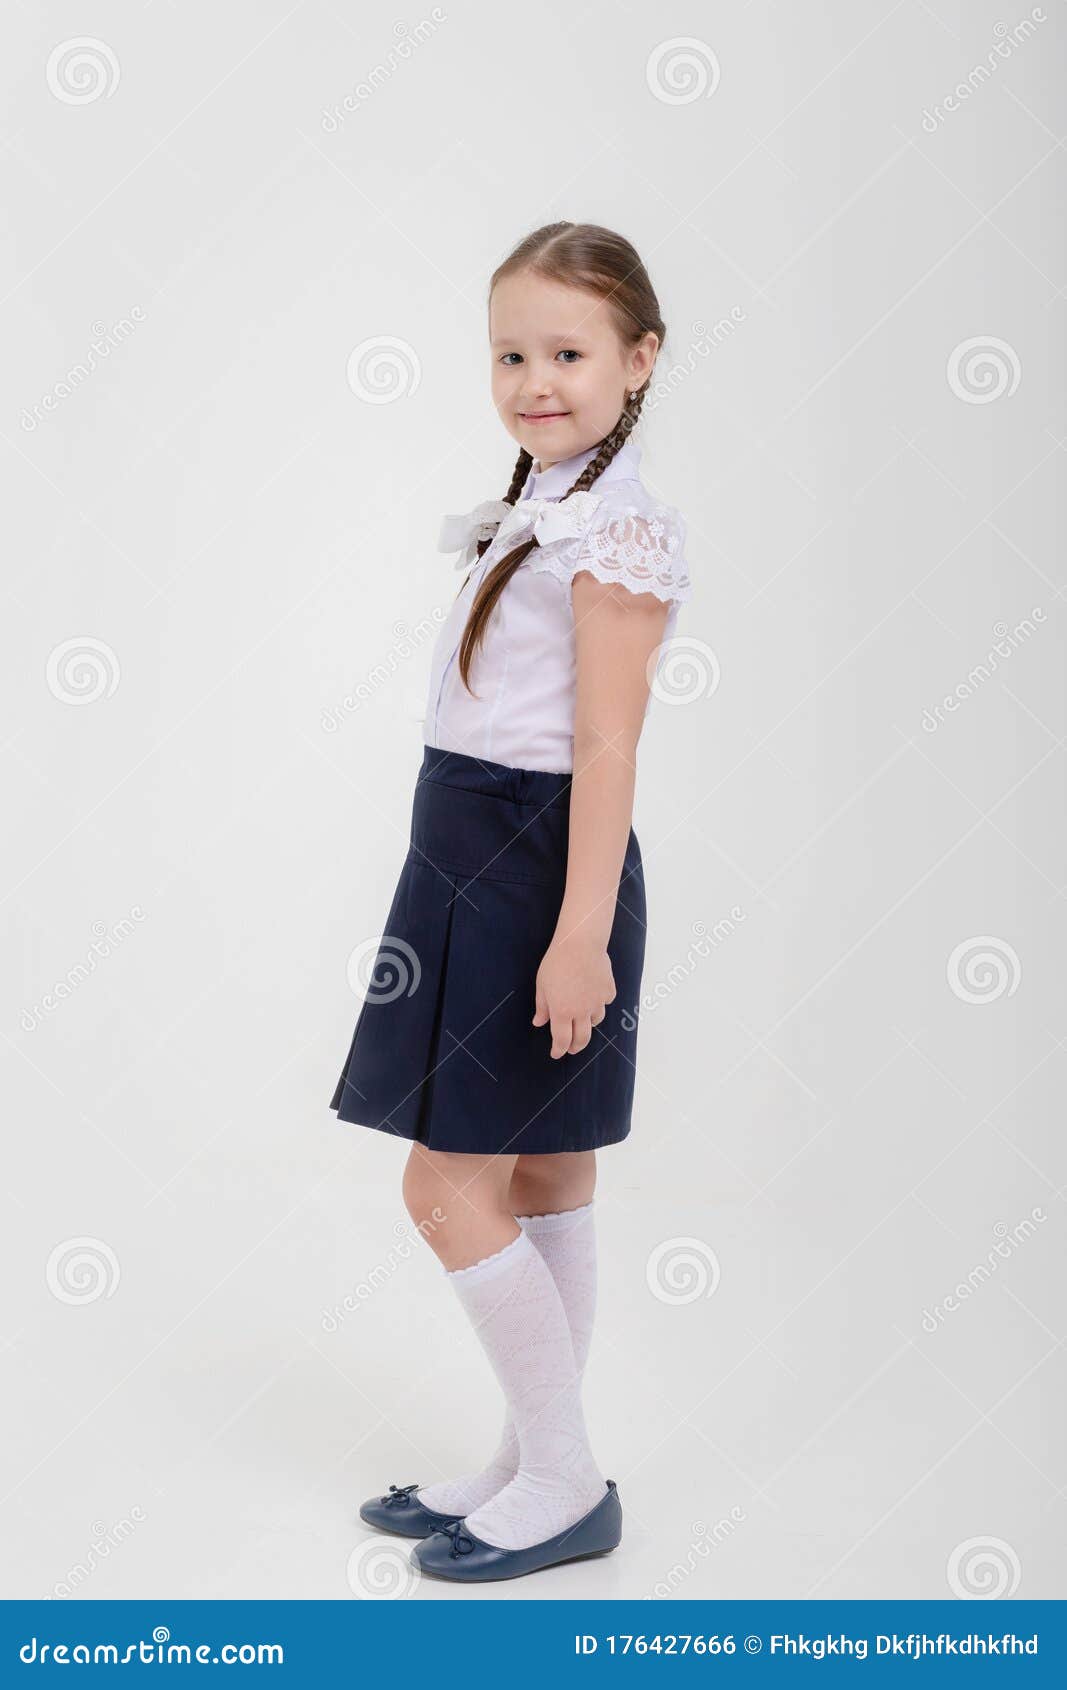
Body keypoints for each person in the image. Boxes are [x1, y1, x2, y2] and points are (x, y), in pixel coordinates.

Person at [331, 221, 692, 1582]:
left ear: (640, 358)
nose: (536, 378)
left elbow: (607, 745)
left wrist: (580, 932)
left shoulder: (620, 528)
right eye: (512, 352)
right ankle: (530, 1454)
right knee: (541, 1165)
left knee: (447, 1181)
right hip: (470, 850)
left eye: (570, 352)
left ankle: (564, 1475)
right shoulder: (552, 500)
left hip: (537, 866)